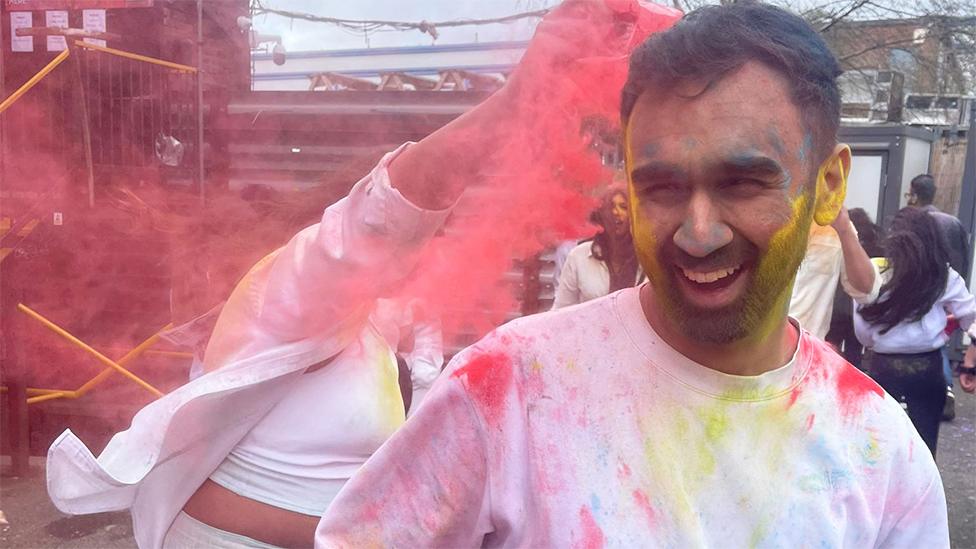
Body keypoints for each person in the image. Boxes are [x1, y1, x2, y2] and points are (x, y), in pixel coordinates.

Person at [45, 2, 680, 547]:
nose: (436, 240)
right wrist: (522, 98)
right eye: (429, 226)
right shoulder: (291, 286)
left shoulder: (379, 321)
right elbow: (387, 215)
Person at [315, 3, 948, 547]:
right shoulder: (509, 389)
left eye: (743, 183)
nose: (700, 233)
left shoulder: (879, 452)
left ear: (828, 185)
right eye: (663, 187)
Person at [853, 207, 975, 456]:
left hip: (882, 366)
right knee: (925, 446)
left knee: (879, 446)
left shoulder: (874, 272)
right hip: (928, 369)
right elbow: (971, 317)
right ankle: (921, 493)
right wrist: (970, 359)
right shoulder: (942, 275)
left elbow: (862, 332)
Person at [787, 206, 880, 340]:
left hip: (808, 351)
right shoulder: (757, 217)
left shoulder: (834, 223)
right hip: (752, 350)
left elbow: (866, 291)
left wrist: (844, 229)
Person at [552, 186, 643, 309]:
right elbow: (561, 310)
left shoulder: (648, 259)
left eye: (624, 207)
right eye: (610, 207)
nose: (616, 212)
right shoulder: (579, 256)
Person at [825, 207, 883, 367]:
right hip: (858, 307)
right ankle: (852, 373)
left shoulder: (839, 242)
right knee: (854, 348)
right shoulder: (874, 244)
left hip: (838, 304)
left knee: (831, 344)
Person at [907, 173, 969, 277]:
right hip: (951, 285)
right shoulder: (953, 222)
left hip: (923, 287)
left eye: (908, 195)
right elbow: (964, 261)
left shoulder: (912, 224)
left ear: (914, 197)